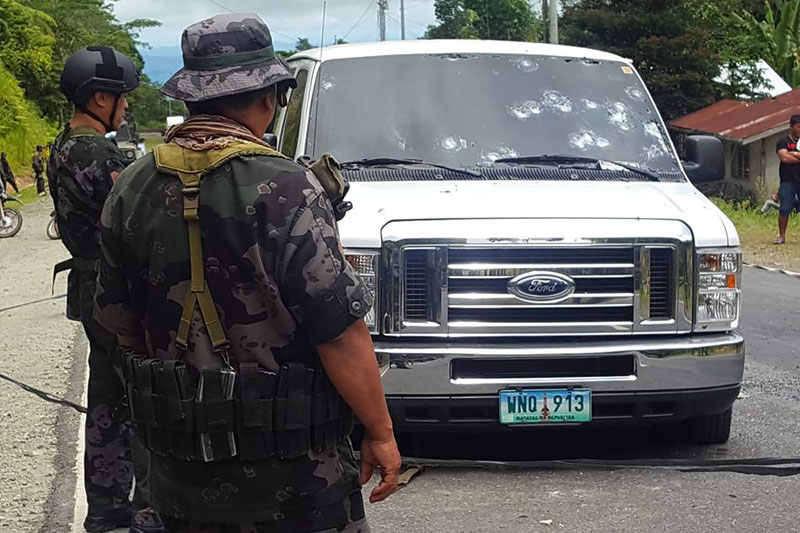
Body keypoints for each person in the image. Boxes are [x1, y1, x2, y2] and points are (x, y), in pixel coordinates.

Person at [94, 13, 401, 533]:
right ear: (270, 97)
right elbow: (340, 335)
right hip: (298, 482)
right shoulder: (287, 187)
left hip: (176, 477)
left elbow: (118, 325)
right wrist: (381, 431)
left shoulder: (131, 185)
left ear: (192, 97)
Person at [47, 46, 162, 533]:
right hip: (115, 292)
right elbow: (140, 214)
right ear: (99, 98)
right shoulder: (95, 151)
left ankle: (108, 507)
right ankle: (146, 509)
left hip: (90, 289)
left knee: (109, 398)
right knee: (143, 396)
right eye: (122, 98)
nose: (127, 107)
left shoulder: (62, 146)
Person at [774, 114, 800, 244]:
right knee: (784, 209)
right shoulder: (783, 141)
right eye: (798, 126)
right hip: (787, 180)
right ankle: (782, 235)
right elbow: (784, 158)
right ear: (791, 126)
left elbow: (789, 157)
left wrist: (794, 154)